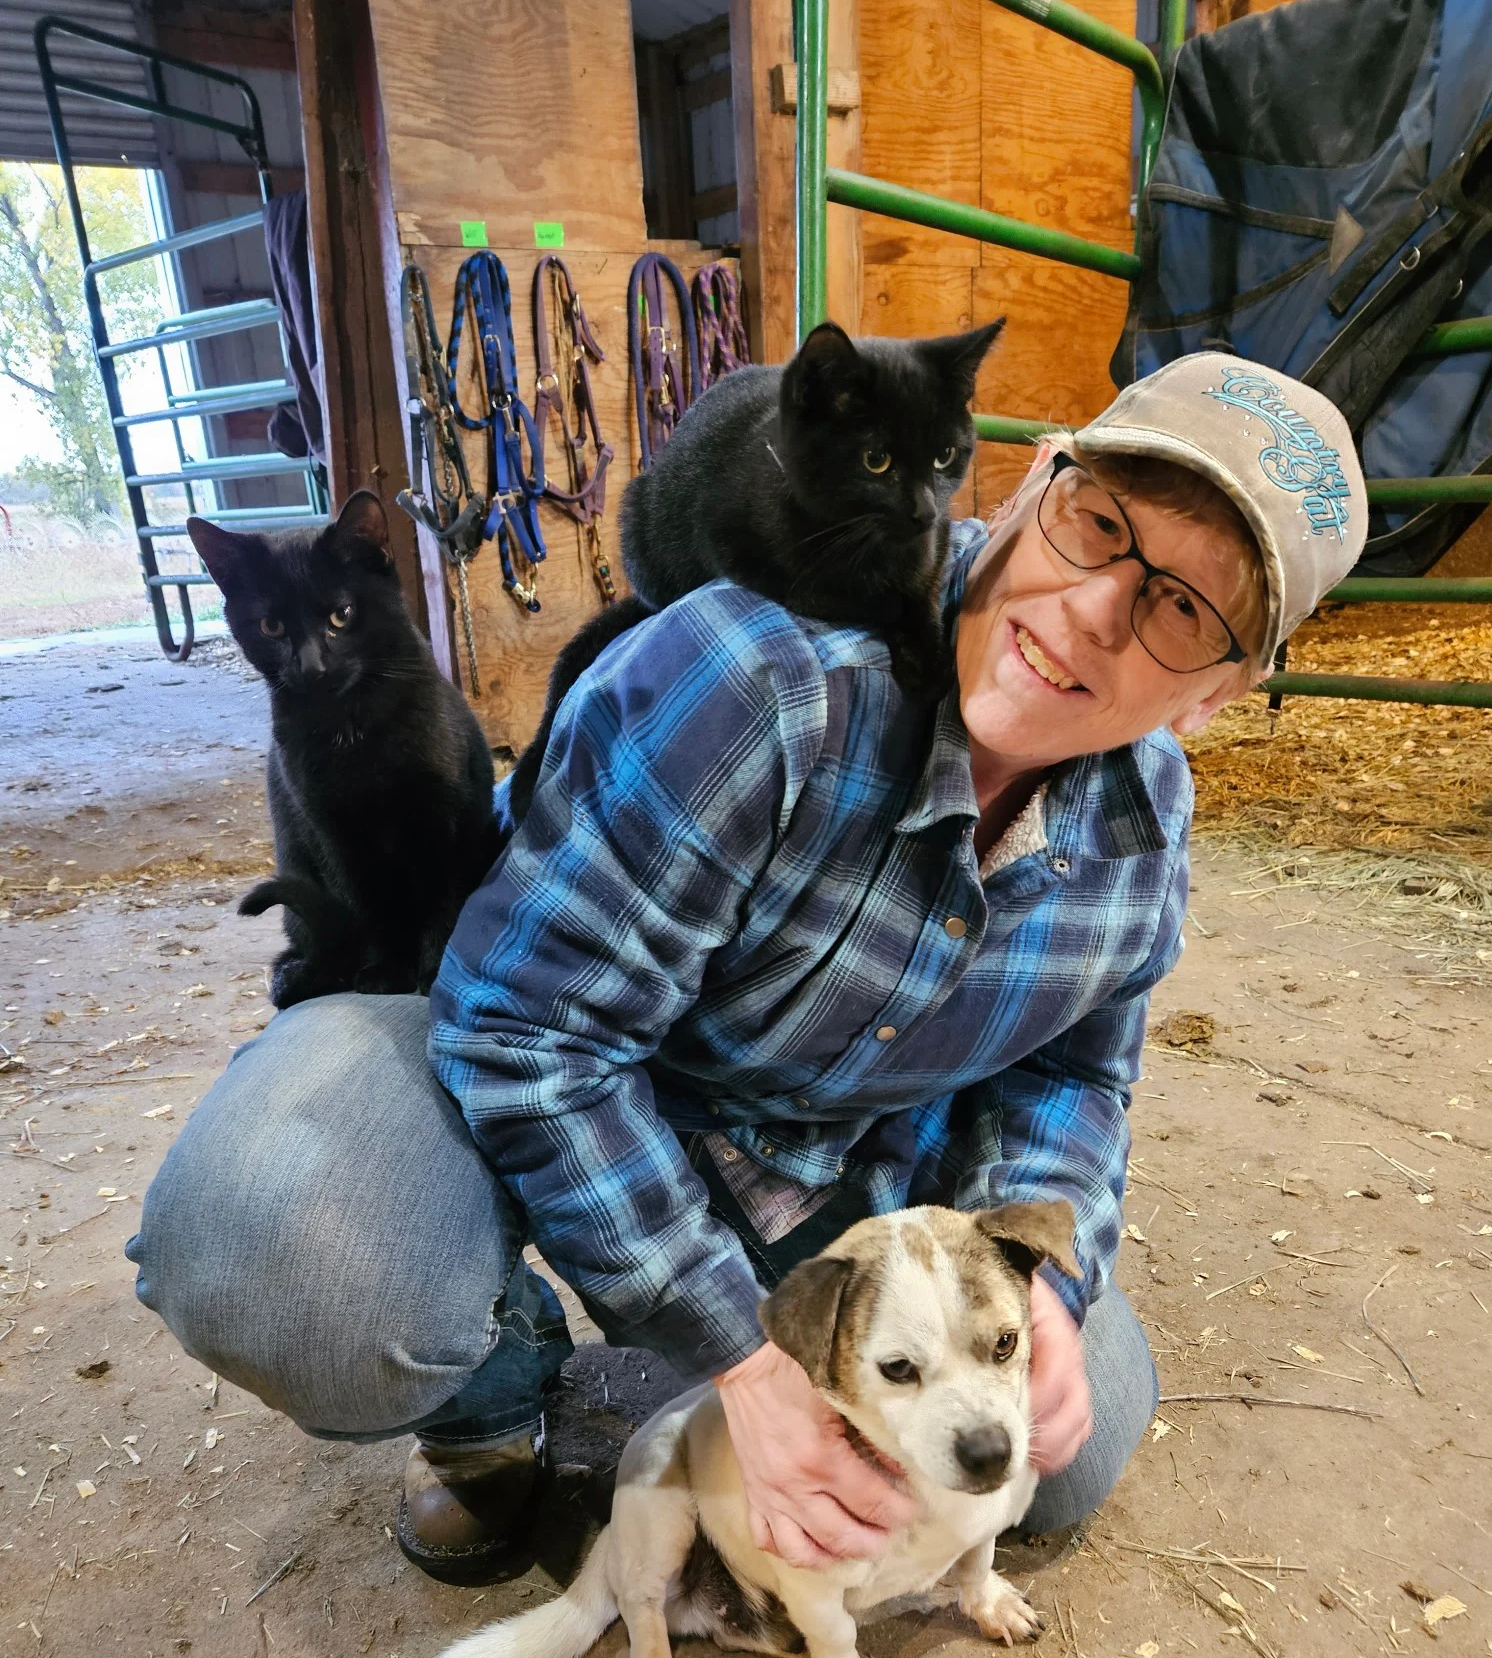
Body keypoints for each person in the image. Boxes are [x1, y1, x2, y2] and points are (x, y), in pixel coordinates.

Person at [127, 355, 1366, 1585]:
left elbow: (1074, 1077)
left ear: (1219, 693)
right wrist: (743, 1352)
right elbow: (529, 1031)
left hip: (807, 1144)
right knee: (286, 1258)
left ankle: (735, 1382)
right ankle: (494, 1391)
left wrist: (1039, 1266)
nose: (1095, 608)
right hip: (559, 1039)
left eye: (1182, 610)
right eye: (1098, 524)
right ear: (1036, 478)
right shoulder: (760, 673)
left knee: (1069, 1445)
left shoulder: (1143, 827)